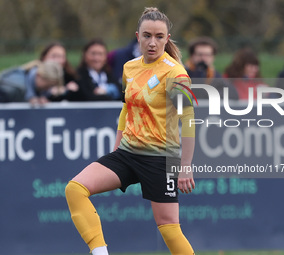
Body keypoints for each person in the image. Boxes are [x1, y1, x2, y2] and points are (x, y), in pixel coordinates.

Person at [65, 7, 195, 255]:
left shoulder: (176, 73)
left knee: (168, 227)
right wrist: (116, 149)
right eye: (147, 35)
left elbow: (188, 119)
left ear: (167, 38)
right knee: (75, 189)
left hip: (161, 158)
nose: (153, 42)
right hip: (127, 153)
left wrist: (186, 165)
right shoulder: (129, 68)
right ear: (138, 36)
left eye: (159, 36)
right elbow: (127, 110)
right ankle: (100, 252)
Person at [0, 60, 64, 104]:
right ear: (39, 75)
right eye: (47, 86)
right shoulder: (15, 87)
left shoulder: (39, 91)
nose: (48, 89)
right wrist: (27, 101)